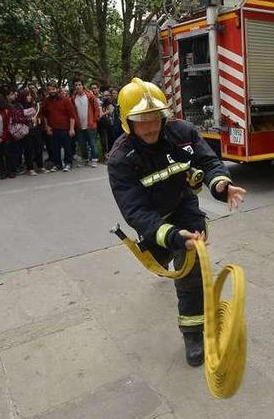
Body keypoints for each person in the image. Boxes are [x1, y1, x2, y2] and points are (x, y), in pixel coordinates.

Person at [107, 78, 246, 366]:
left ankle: (193, 333)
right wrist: (169, 236)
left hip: (184, 207)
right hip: (154, 219)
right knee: (161, 256)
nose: (150, 126)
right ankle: (167, 252)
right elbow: (135, 210)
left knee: (189, 270)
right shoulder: (121, 159)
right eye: (141, 120)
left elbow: (209, 162)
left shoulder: (182, 133)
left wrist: (221, 185)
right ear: (127, 121)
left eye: (155, 117)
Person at [41, 81, 76, 172]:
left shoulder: (65, 100)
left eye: (54, 89)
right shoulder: (46, 101)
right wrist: (47, 127)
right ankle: (58, 164)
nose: (52, 91)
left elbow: (72, 115)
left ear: (57, 89)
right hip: (53, 129)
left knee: (67, 147)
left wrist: (72, 128)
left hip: (65, 128)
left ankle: (68, 163)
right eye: (49, 89)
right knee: (55, 148)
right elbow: (44, 115)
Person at [72, 78, 101, 168]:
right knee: (82, 144)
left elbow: (96, 109)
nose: (78, 87)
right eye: (76, 85)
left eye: (79, 85)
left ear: (83, 85)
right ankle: (85, 159)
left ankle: (94, 159)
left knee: (93, 143)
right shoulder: (73, 98)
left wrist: (94, 120)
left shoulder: (90, 96)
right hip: (80, 126)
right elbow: (72, 112)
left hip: (90, 124)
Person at [17, 88, 45, 175]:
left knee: (39, 148)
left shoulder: (34, 105)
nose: (29, 97)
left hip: (36, 129)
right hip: (26, 130)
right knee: (28, 149)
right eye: (27, 95)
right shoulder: (19, 106)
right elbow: (18, 118)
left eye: (30, 95)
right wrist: (28, 120)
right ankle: (30, 168)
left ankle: (40, 166)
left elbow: (40, 116)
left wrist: (38, 120)